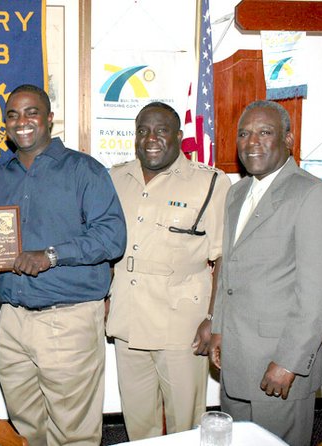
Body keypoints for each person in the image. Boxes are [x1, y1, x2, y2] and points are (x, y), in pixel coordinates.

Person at [0, 84, 126, 446]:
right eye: (12, 115)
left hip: (67, 319)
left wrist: (51, 255)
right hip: (13, 323)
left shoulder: (84, 171)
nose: (21, 121)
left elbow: (113, 236)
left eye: (31, 112)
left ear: (50, 119)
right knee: (26, 429)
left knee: (74, 433)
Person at [209, 100, 322, 445]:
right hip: (236, 359)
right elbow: (229, 268)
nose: (251, 141)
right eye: (243, 133)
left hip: (278, 363)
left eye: (264, 132)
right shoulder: (237, 193)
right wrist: (219, 329)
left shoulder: (314, 195)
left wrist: (289, 362)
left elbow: (318, 294)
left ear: (288, 139)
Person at [105, 102, 231, 440]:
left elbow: (224, 259)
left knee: (184, 426)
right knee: (138, 423)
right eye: (143, 131)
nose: (151, 138)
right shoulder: (116, 178)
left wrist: (213, 318)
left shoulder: (211, 183)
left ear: (178, 136)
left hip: (182, 325)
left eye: (161, 130)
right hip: (128, 319)